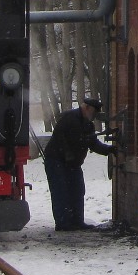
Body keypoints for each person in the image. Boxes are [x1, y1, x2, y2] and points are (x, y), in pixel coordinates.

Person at [44, 96, 114, 231]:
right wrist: (69, 154)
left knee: (77, 190)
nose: (94, 116)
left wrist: (108, 150)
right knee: (61, 192)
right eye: (93, 112)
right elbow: (61, 138)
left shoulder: (87, 124)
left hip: (72, 163)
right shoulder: (69, 118)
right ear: (86, 108)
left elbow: (92, 143)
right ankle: (63, 223)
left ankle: (77, 220)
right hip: (57, 160)